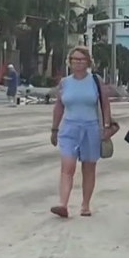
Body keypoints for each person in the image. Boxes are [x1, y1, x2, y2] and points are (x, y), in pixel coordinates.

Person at [50, 47, 114, 218]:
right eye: (74, 59)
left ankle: (85, 205)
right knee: (67, 167)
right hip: (69, 128)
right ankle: (63, 204)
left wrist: (107, 126)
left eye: (81, 59)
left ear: (88, 62)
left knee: (89, 167)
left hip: (91, 128)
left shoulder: (95, 80)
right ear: (69, 62)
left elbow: (105, 103)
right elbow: (59, 106)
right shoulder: (65, 82)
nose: (78, 63)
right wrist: (54, 129)